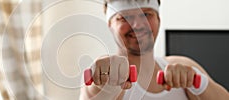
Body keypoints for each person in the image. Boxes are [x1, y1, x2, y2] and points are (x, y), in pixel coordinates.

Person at [80, 0, 229, 100]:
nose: (137, 25)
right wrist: (100, 83)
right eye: (124, 18)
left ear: (159, 19)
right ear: (110, 26)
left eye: (146, 14)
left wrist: (198, 82)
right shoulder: (107, 75)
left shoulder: (182, 64)